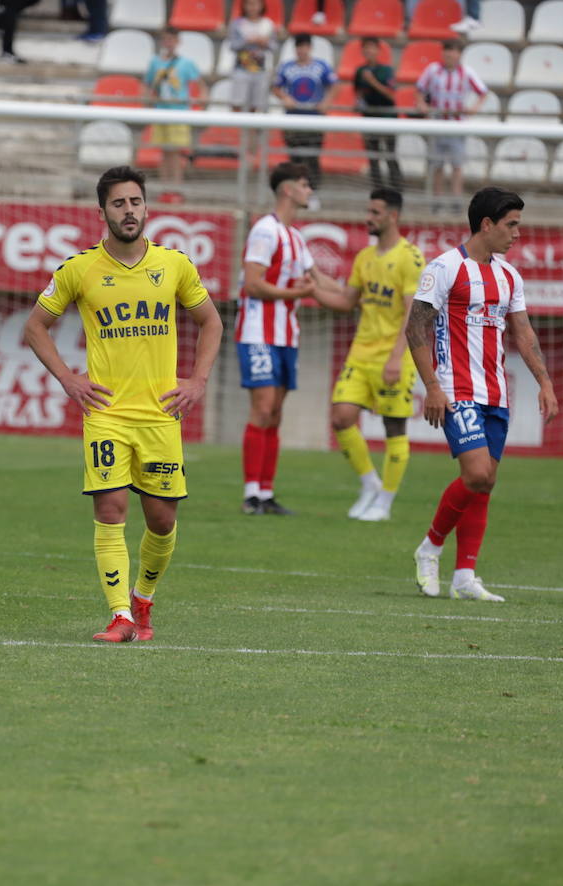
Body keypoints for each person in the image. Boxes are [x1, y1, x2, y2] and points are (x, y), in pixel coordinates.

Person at [23, 166, 223, 643]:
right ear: (102, 212)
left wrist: (197, 381)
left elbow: (211, 322)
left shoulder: (174, 265)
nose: (129, 211)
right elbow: (34, 327)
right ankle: (119, 616)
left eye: (135, 202)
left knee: (162, 519)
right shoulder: (78, 269)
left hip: (160, 415)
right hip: (107, 414)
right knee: (111, 510)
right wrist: (69, 379)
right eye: (119, 204)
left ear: (147, 207)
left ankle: (143, 601)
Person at [406, 187, 558, 602]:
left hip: (497, 393)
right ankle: (430, 547)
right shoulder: (444, 268)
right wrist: (433, 387)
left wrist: (544, 382)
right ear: (486, 224)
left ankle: (465, 577)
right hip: (457, 390)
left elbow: (523, 333)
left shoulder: (509, 276)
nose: (517, 234)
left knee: (485, 484)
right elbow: (415, 327)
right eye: (511, 225)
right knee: (476, 474)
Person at [312, 189, 424, 522]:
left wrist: (395, 358)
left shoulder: (411, 258)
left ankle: (385, 503)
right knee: (341, 417)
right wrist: (311, 288)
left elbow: (413, 314)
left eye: (375, 212)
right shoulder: (365, 257)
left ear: (393, 216)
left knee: (394, 427)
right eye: (368, 211)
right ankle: (370, 484)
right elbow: (347, 301)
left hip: (394, 355)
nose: (368, 218)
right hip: (361, 354)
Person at [235, 161, 332, 516]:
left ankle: (266, 492)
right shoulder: (265, 230)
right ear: (288, 189)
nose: (310, 191)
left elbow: (318, 281)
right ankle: (250, 495)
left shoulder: (295, 236)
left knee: (275, 413)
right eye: (305, 185)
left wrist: (360, 294)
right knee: (261, 408)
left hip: (286, 335)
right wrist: (296, 295)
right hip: (258, 332)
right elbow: (253, 283)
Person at [415, 38, 486, 203]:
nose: (450, 54)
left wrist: (474, 107)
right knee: (437, 165)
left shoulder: (467, 72)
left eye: (454, 51)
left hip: (457, 125)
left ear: (459, 54)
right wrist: (421, 104)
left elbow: (483, 92)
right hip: (437, 124)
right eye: (447, 50)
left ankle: (456, 200)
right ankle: (437, 201)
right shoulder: (433, 70)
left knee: (457, 165)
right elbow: (419, 89)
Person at [144, 27, 205, 194]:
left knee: (176, 153)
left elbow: (200, 86)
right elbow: (148, 86)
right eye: (166, 39)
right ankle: (165, 188)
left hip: (179, 112)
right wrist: (148, 105)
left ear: (178, 42)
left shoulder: (186, 63)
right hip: (160, 112)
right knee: (164, 152)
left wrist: (198, 104)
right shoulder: (155, 62)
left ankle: (176, 188)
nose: (168, 43)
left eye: (172, 40)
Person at [274, 34, 335, 196]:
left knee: (312, 157)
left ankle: (312, 192)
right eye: (299, 47)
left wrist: (326, 101)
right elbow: (275, 86)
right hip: (293, 119)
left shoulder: (321, 66)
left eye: (305, 46)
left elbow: (334, 85)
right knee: (295, 158)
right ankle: (295, 191)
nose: (302, 50)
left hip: (314, 119)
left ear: (310, 48)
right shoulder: (286, 67)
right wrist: (285, 98)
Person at [354, 36, 402, 191]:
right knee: (373, 157)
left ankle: (397, 188)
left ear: (378, 50)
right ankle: (378, 189)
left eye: (372, 47)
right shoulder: (360, 71)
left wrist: (373, 81)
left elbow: (391, 94)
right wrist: (358, 102)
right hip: (368, 118)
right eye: (366, 47)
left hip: (387, 118)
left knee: (389, 154)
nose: (369, 51)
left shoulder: (386, 71)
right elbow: (358, 92)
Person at [227, 0, 279, 115]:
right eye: (249, 4)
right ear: (244, 6)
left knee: (256, 106)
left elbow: (274, 46)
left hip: (260, 70)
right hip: (241, 69)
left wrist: (265, 43)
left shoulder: (268, 24)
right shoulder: (238, 24)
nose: (252, 7)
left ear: (261, 6)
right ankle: (235, 131)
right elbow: (232, 45)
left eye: (255, 4)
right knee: (237, 103)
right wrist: (246, 41)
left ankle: (251, 132)